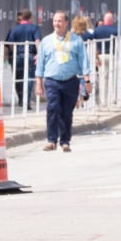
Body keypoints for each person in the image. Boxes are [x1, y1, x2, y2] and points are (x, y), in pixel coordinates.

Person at [35, 10, 92, 152]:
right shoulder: (46, 41)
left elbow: (84, 60)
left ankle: (65, 141)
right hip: (52, 81)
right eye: (55, 21)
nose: (57, 24)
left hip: (70, 81)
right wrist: (38, 83)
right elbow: (40, 63)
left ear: (66, 23)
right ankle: (51, 140)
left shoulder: (76, 41)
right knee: (53, 108)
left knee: (67, 112)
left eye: (60, 21)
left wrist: (87, 80)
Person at [4, 9, 40, 110]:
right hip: (30, 55)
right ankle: (26, 101)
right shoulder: (34, 28)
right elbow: (37, 41)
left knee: (18, 79)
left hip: (18, 56)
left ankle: (20, 99)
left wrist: (14, 52)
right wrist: (39, 54)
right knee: (29, 79)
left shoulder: (14, 29)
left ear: (21, 18)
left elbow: (9, 44)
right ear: (30, 18)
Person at [90, 11, 118, 103]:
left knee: (103, 78)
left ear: (104, 20)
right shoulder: (115, 30)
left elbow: (93, 44)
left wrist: (96, 57)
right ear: (112, 20)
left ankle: (103, 99)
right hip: (112, 55)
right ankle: (113, 98)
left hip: (101, 55)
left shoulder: (97, 30)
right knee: (112, 77)